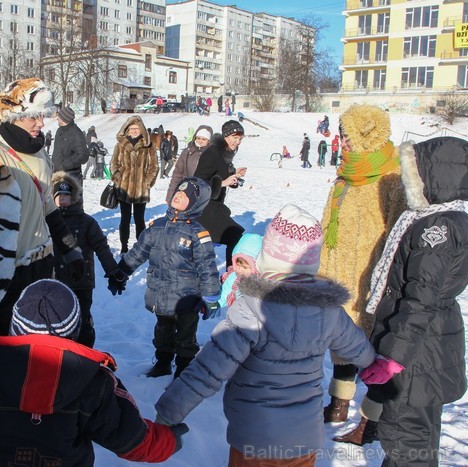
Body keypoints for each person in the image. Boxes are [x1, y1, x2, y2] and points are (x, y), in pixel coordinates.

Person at [155, 204, 400, 466]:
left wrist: (167, 414)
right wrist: (375, 365)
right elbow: (356, 347)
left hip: (255, 438)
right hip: (305, 438)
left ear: (267, 255)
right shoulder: (328, 309)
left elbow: (207, 370)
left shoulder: (251, 308)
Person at [0, 279, 188, 465]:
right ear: (73, 333)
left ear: (16, 326)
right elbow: (133, 440)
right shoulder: (95, 383)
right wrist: (169, 440)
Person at [0, 78, 85, 341]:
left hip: (42, 264)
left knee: (38, 346)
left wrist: (71, 250)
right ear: (13, 116)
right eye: (33, 116)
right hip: (5, 274)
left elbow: (48, 207)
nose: (40, 123)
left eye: (42, 116)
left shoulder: (39, 152)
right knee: (5, 348)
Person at [363, 137, 467, 466]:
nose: (412, 180)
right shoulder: (451, 219)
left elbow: (420, 299)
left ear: (435, 177)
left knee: (407, 441)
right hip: (428, 348)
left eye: (416, 172)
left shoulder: (435, 229)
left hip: (416, 356)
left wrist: (392, 357)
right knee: (417, 438)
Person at [318, 105, 406, 446]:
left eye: (349, 135)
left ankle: (371, 420)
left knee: (375, 350)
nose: (344, 142)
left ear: (366, 135)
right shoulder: (344, 175)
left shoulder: (392, 176)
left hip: (374, 275)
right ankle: (339, 403)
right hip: (339, 273)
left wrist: (386, 276)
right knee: (341, 342)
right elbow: (329, 225)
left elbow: (399, 231)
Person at [110, 177, 220, 379]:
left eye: (186, 196)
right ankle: (162, 364)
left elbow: (207, 267)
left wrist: (211, 296)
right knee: (162, 333)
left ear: (196, 203)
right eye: (178, 192)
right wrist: (121, 271)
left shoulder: (198, 233)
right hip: (160, 295)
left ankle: (183, 369)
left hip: (186, 299)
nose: (178, 195)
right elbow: (138, 252)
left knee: (185, 337)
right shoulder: (157, 226)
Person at [51, 171, 119, 347]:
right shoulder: (47, 221)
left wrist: (113, 271)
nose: (62, 199)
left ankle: (85, 352)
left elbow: (102, 247)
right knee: (57, 320)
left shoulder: (87, 222)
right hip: (55, 279)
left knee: (82, 321)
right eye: (59, 195)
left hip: (81, 281)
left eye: (66, 195)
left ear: (74, 197)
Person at [193, 120, 247, 269]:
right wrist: (223, 183)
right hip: (205, 208)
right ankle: (232, 275)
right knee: (235, 236)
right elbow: (198, 182)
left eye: (240, 139)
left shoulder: (225, 153)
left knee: (209, 245)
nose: (237, 142)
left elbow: (220, 174)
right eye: (235, 138)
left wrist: (235, 175)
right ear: (226, 136)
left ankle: (225, 274)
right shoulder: (212, 153)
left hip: (215, 206)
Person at [110, 115, 158, 254]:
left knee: (139, 219)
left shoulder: (148, 146)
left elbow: (154, 166)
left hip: (140, 189)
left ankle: (140, 248)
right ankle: (124, 247)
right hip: (124, 188)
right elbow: (114, 163)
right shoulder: (121, 145)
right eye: (132, 128)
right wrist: (119, 177)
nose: (134, 131)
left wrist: (147, 182)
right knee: (124, 219)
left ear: (142, 129)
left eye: (137, 128)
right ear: (127, 130)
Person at [165, 125, 212, 202]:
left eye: (204, 139)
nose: (200, 141)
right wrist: (170, 196)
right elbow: (177, 174)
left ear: (209, 141)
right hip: (185, 193)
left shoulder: (212, 154)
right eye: (198, 138)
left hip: (204, 196)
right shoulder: (187, 152)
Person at [217, 233, 262, 309]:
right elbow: (224, 294)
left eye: (245, 267)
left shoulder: (262, 280)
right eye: (238, 265)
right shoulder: (234, 278)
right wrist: (214, 305)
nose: (240, 269)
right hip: (239, 315)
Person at [52, 106, 90, 182]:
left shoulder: (76, 134)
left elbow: (83, 156)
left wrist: (65, 166)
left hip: (71, 177)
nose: (57, 118)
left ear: (64, 118)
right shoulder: (59, 131)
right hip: (57, 175)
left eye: (59, 116)